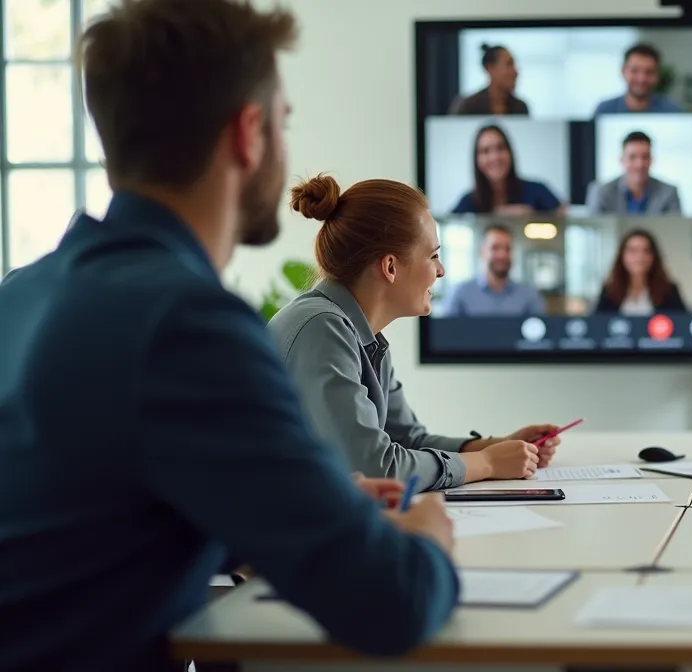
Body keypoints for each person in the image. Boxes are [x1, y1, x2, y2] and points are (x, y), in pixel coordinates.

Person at [0, 2, 458, 670]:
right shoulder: (187, 325)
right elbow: (394, 600)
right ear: (248, 134)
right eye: (283, 123)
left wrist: (293, 502)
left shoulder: (21, 293)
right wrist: (428, 532)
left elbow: (90, 532)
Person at [270, 176, 561, 491]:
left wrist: (496, 446)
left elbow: (409, 439)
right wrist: (487, 463)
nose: (441, 270)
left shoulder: (362, 335)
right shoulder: (322, 328)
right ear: (390, 267)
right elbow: (377, 468)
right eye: (433, 256)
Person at [451, 124, 563, 215]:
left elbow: (564, 215)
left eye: (500, 148)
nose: (494, 157)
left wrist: (533, 215)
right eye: (485, 151)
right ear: (477, 160)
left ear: (510, 153)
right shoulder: (468, 201)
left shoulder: (538, 190)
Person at [441, 224, 545, 316]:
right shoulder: (460, 293)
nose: (502, 255)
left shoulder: (529, 295)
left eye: (507, 249)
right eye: (495, 248)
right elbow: (447, 330)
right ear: (482, 252)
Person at [585, 131, 683, 215]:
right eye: (632, 157)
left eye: (645, 157)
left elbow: (675, 228)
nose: (639, 165)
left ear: (651, 160)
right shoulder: (601, 192)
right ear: (622, 160)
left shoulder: (668, 192)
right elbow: (593, 229)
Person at [594, 229, 687, 315]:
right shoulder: (609, 291)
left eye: (646, 251)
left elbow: (682, 322)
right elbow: (597, 323)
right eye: (633, 251)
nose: (640, 257)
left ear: (653, 257)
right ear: (622, 256)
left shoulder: (669, 291)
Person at [594, 43, 682, 115]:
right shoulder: (604, 111)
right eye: (634, 71)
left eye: (649, 72)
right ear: (623, 71)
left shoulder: (673, 111)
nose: (641, 79)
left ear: (657, 75)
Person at [449, 44, 529, 116]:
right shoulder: (468, 106)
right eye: (509, 64)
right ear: (490, 68)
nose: (515, 71)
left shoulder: (520, 108)